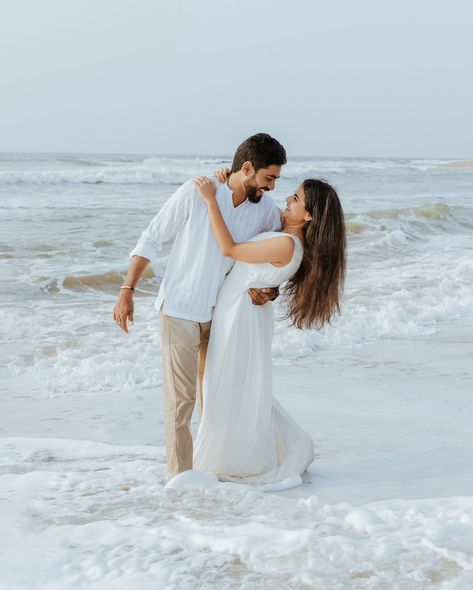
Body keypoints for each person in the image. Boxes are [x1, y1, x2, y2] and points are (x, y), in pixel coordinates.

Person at [113, 133, 287, 479]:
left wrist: (268, 290)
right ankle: (181, 480)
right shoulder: (198, 192)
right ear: (247, 168)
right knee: (181, 403)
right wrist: (127, 289)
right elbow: (153, 236)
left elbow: (271, 261)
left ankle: (212, 469)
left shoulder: (267, 211)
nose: (273, 187)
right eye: (269, 178)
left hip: (224, 315)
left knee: (217, 399)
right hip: (180, 307)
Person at [190, 176, 347, 490]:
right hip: (242, 311)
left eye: (296, 198)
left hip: (240, 316)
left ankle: (234, 458)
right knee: (233, 385)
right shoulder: (286, 237)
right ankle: (250, 449)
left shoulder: (287, 243)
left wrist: (210, 200)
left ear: (309, 216)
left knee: (229, 385)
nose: (288, 199)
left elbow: (230, 248)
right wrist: (230, 180)